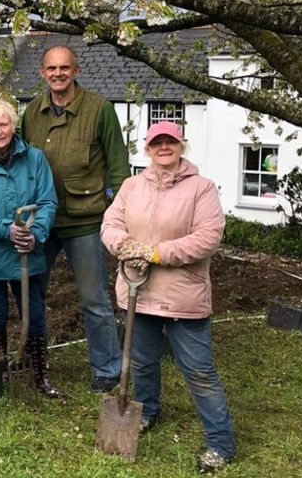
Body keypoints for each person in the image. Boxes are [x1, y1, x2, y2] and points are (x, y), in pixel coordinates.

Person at [100, 122, 235, 473]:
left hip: (183, 297)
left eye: (170, 142)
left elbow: (207, 238)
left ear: (181, 146)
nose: (163, 148)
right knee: (142, 361)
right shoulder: (131, 186)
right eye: (156, 143)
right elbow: (110, 224)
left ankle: (220, 442)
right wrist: (123, 245)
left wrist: (154, 252)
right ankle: (147, 411)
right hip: (138, 292)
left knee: (199, 371)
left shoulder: (201, 189)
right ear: (147, 149)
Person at [19, 44, 130, 392]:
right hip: (42, 222)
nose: (58, 74)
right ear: (42, 73)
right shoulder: (32, 113)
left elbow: (118, 167)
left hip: (85, 220)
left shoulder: (99, 110)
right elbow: (20, 164)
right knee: (32, 294)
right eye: (51, 68)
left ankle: (108, 369)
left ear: (76, 71)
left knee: (94, 298)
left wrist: (122, 214)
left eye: (64, 68)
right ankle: (35, 363)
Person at [0, 99, 61, 398]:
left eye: (4, 124)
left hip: (27, 251)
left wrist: (36, 233)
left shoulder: (34, 159)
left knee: (34, 312)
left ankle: (39, 373)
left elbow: (47, 201)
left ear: (13, 126)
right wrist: (6, 228)